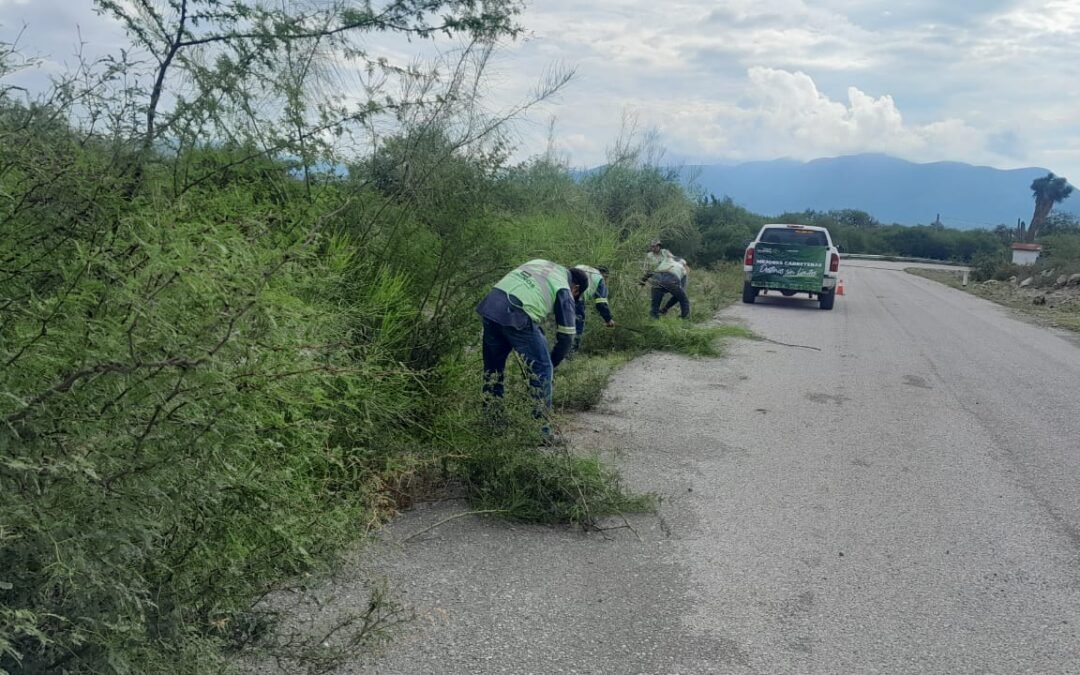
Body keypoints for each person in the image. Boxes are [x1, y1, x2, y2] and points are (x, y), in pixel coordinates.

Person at [476, 259, 588, 439]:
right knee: (542, 370)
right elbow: (567, 336)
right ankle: (540, 433)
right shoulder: (564, 288)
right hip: (516, 313)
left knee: (493, 370)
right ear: (576, 289)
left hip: (492, 306)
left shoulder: (541, 263)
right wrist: (551, 365)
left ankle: (492, 422)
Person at [571, 264, 615, 352]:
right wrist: (608, 319)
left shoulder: (581, 267)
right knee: (577, 325)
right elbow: (601, 303)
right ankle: (571, 353)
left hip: (562, 292)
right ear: (605, 275)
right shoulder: (599, 278)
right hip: (577, 297)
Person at [642, 240, 690, 319]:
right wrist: (644, 280)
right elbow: (647, 270)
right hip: (663, 277)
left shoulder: (665, 254)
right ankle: (685, 319)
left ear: (659, 246)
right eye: (652, 246)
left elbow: (673, 258)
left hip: (661, 277)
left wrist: (643, 280)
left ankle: (657, 315)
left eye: (655, 246)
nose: (653, 248)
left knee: (657, 304)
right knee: (683, 299)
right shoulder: (649, 256)